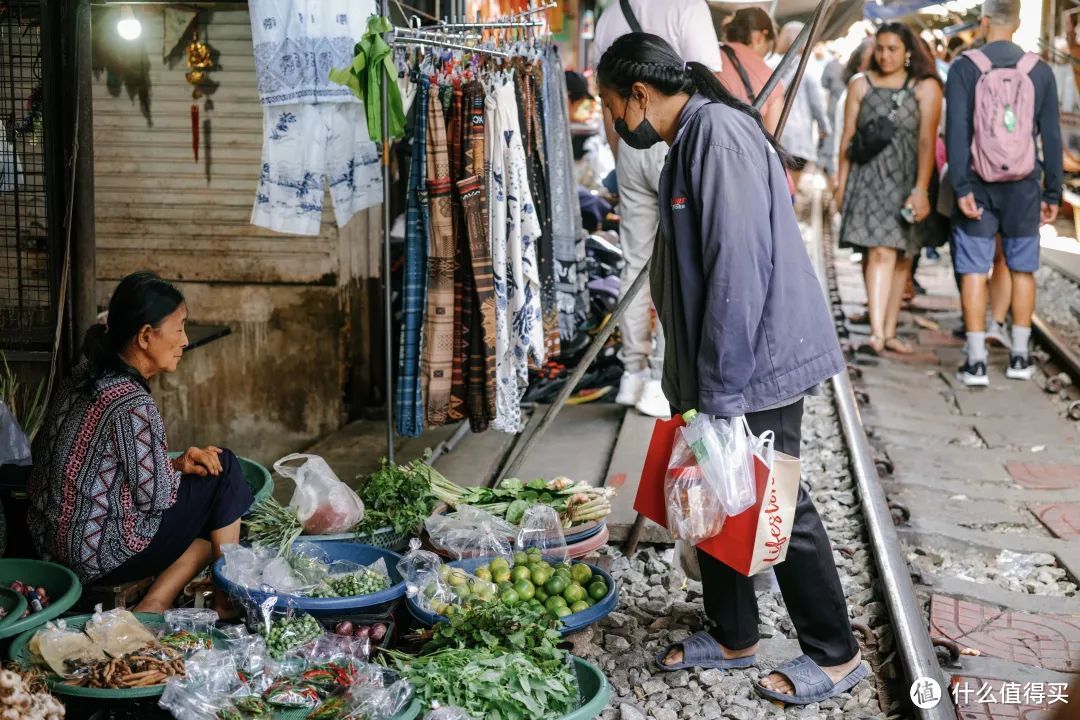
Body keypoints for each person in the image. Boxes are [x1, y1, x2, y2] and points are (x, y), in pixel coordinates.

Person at [597, 32, 866, 705]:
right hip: (717, 362)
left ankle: (836, 654)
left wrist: (720, 387)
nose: (612, 124)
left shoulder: (715, 135)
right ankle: (735, 633)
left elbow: (737, 270)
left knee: (777, 499)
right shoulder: (693, 137)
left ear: (638, 94)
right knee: (710, 488)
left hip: (754, 361)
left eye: (610, 108)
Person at [29, 272, 254, 614]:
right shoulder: (131, 403)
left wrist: (177, 464)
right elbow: (157, 498)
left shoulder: (84, 377)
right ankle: (229, 599)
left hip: (51, 544)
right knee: (225, 472)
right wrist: (181, 474)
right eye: (179, 329)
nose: (185, 341)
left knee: (217, 509)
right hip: (100, 555)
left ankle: (156, 601)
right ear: (146, 336)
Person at [593, 0, 723, 419]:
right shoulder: (688, 7)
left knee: (635, 260)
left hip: (630, 141)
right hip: (675, 137)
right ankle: (659, 378)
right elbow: (707, 82)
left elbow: (607, 99)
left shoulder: (610, 14)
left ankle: (631, 372)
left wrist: (621, 155)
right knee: (677, 264)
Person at [946, 0, 1062, 386]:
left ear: (983, 22)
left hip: (978, 183)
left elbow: (958, 130)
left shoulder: (965, 67)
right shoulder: (1039, 70)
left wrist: (961, 184)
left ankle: (976, 361)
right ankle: (1019, 356)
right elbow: (1051, 136)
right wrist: (1053, 192)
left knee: (975, 270)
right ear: (1017, 22)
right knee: (1022, 268)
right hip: (1025, 186)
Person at [836, 24, 943, 356]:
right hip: (867, 178)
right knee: (878, 252)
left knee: (900, 258)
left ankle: (888, 329)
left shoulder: (925, 88)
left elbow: (927, 142)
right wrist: (841, 183)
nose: (885, 55)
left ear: (908, 50)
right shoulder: (860, 85)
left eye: (893, 48)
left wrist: (922, 189)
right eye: (880, 48)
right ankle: (878, 333)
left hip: (906, 180)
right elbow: (847, 138)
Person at [769, 22, 831, 189]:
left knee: (772, 187)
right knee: (789, 191)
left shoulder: (772, 64)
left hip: (773, 132)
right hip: (798, 139)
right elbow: (817, 104)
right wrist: (824, 128)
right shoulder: (808, 67)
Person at [717, 7, 785, 134]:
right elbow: (772, 135)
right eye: (768, 46)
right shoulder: (770, 78)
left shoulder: (710, 56)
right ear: (759, 37)